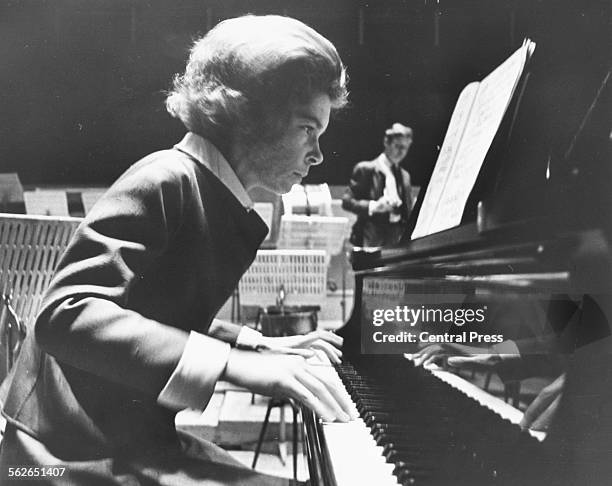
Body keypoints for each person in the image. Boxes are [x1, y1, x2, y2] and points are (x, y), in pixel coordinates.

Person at [0, 15, 355, 485]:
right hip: (60, 450)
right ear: (252, 115)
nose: (318, 154)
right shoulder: (165, 177)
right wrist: (235, 365)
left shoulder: (207, 187)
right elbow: (65, 313)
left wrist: (256, 344)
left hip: (118, 437)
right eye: (308, 129)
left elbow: (152, 309)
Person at [342, 123, 414, 247]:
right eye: (397, 146)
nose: (401, 152)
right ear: (386, 142)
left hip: (396, 238)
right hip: (370, 235)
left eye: (405, 148)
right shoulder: (366, 169)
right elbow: (347, 202)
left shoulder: (405, 176)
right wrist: (374, 206)